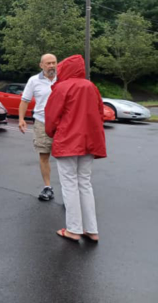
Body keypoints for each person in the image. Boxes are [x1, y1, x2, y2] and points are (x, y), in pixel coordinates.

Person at [45, 55, 106, 242]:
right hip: (90, 141)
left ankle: (73, 229)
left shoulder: (62, 87)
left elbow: (51, 116)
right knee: (85, 183)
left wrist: (51, 133)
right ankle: (91, 229)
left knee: (70, 184)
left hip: (68, 141)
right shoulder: (91, 87)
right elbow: (100, 112)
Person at [18, 54, 58, 201]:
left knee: (67, 157)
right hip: (42, 122)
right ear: (41, 65)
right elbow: (24, 101)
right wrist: (21, 119)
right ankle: (47, 187)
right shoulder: (34, 80)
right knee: (44, 155)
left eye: (54, 63)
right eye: (48, 63)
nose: (51, 66)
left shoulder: (63, 79)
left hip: (62, 123)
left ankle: (70, 190)